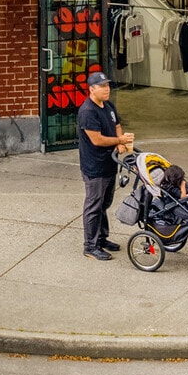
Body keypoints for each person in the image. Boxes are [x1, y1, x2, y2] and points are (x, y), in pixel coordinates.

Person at [76, 72, 132, 260]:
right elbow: (97, 140)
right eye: (102, 86)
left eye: (107, 85)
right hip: (95, 167)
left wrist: (120, 143)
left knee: (104, 204)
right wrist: (120, 140)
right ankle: (90, 246)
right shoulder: (87, 111)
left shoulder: (108, 106)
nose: (107, 89)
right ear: (92, 89)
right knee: (94, 205)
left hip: (109, 164)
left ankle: (101, 238)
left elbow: (117, 124)